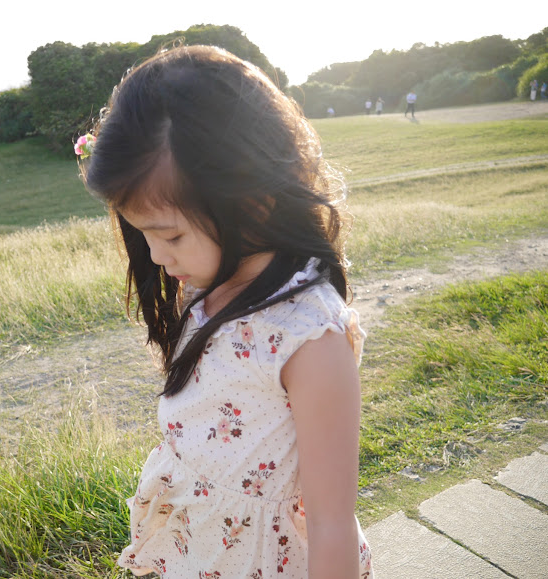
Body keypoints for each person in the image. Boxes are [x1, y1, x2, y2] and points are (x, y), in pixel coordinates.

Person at [78, 45, 372, 578]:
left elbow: (332, 523)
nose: (156, 257)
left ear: (252, 201)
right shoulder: (207, 291)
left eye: (170, 236)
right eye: (142, 236)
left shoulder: (307, 338)